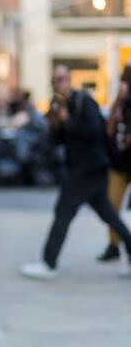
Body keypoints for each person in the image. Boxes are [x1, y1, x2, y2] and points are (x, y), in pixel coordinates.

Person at [21, 65, 131, 280]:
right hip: (81, 170)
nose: (58, 83)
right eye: (54, 80)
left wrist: (67, 121)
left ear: (70, 80)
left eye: (61, 79)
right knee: (109, 215)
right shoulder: (60, 105)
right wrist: (55, 125)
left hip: (88, 170)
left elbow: (94, 132)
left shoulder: (84, 101)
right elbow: (59, 141)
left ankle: (48, 262)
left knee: (63, 211)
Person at [97, 68, 131, 262]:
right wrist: (119, 100)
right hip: (118, 164)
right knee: (112, 205)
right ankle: (113, 245)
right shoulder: (120, 105)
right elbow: (109, 128)